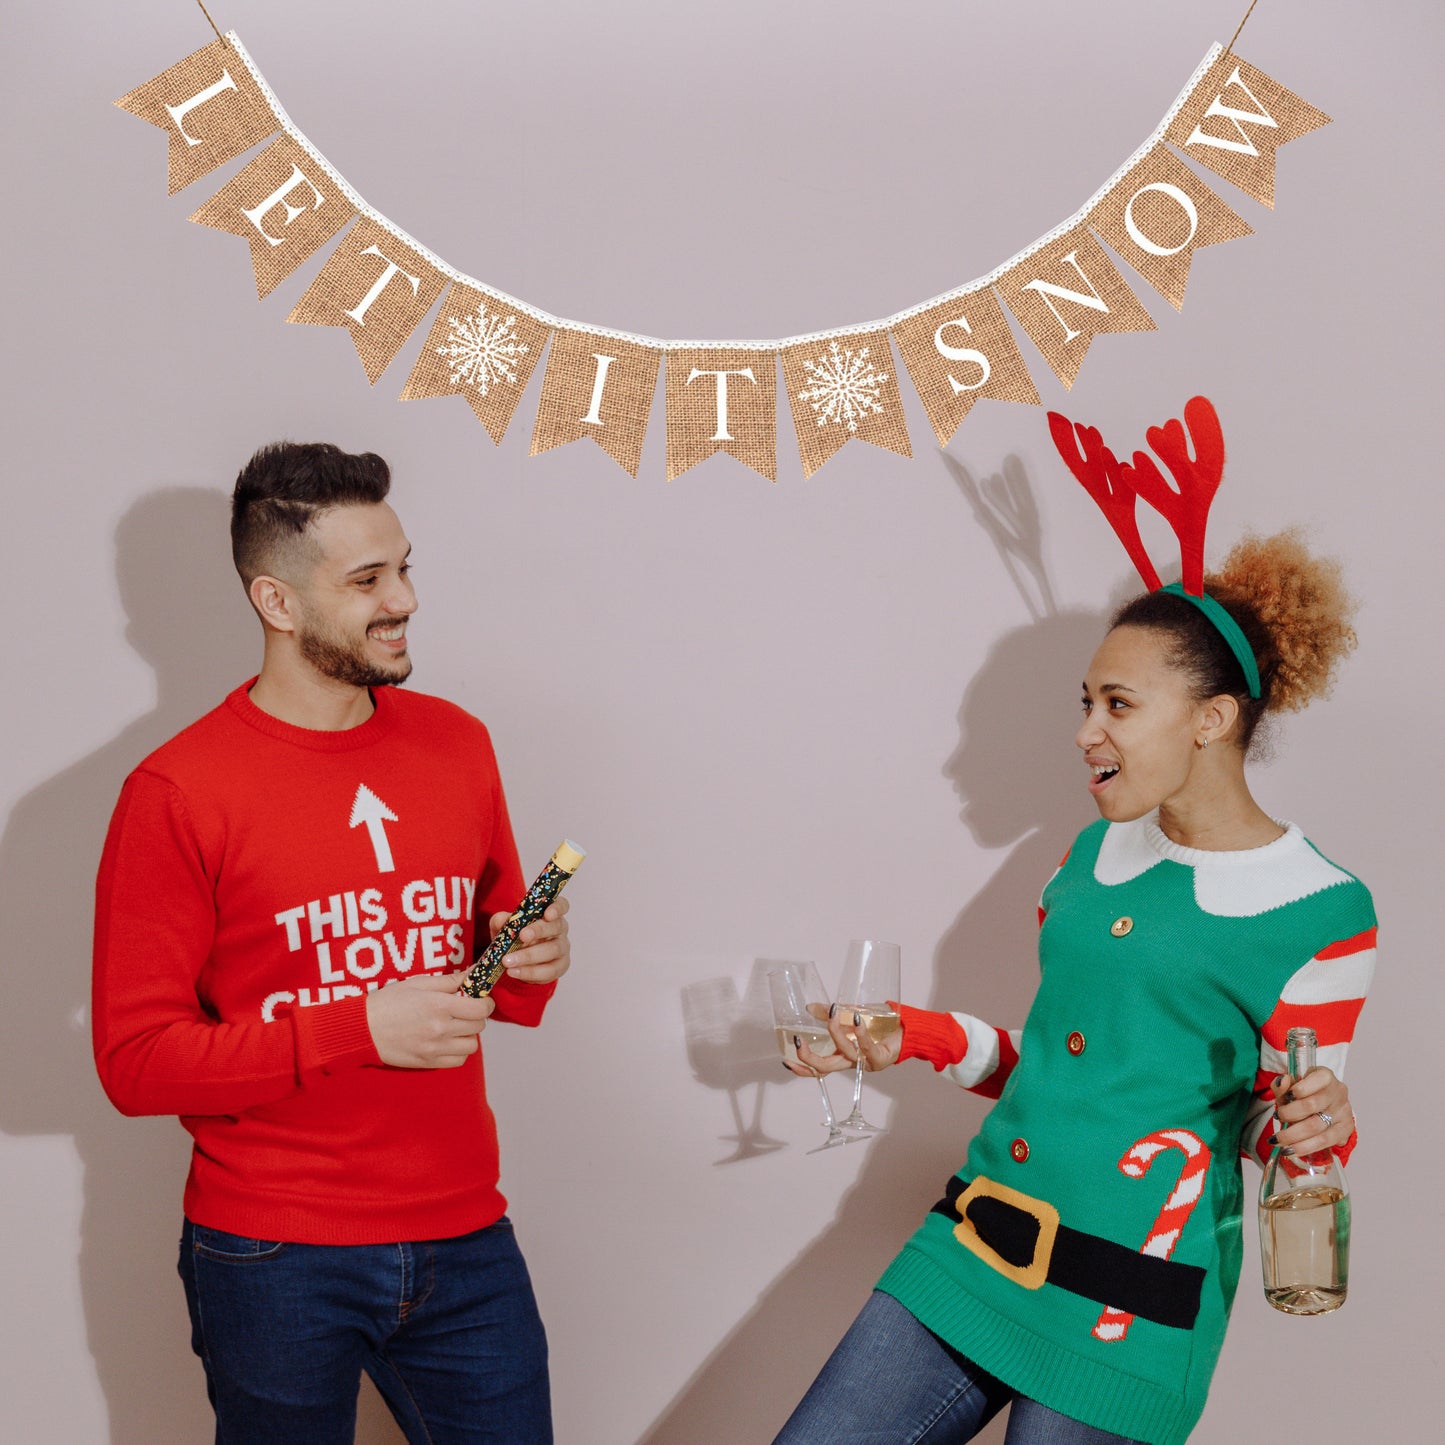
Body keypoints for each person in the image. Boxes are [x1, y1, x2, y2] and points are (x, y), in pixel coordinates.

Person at [775, 517, 1374, 1444]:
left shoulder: (1319, 908)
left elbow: (1274, 1132)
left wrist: (1315, 1124)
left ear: (1210, 720)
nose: (1085, 730)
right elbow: (1061, 1070)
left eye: (1117, 706)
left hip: (1125, 1310)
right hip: (971, 1248)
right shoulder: (1089, 856)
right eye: (1085, 701)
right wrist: (914, 1034)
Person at [91, 442, 571, 1445]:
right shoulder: (178, 792)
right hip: (272, 1250)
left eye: (404, 566)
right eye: (367, 579)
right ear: (276, 600)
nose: (403, 597)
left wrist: (530, 962)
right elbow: (136, 1063)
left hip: (463, 1232)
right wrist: (355, 1025)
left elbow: (492, 981)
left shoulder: (456, 742)